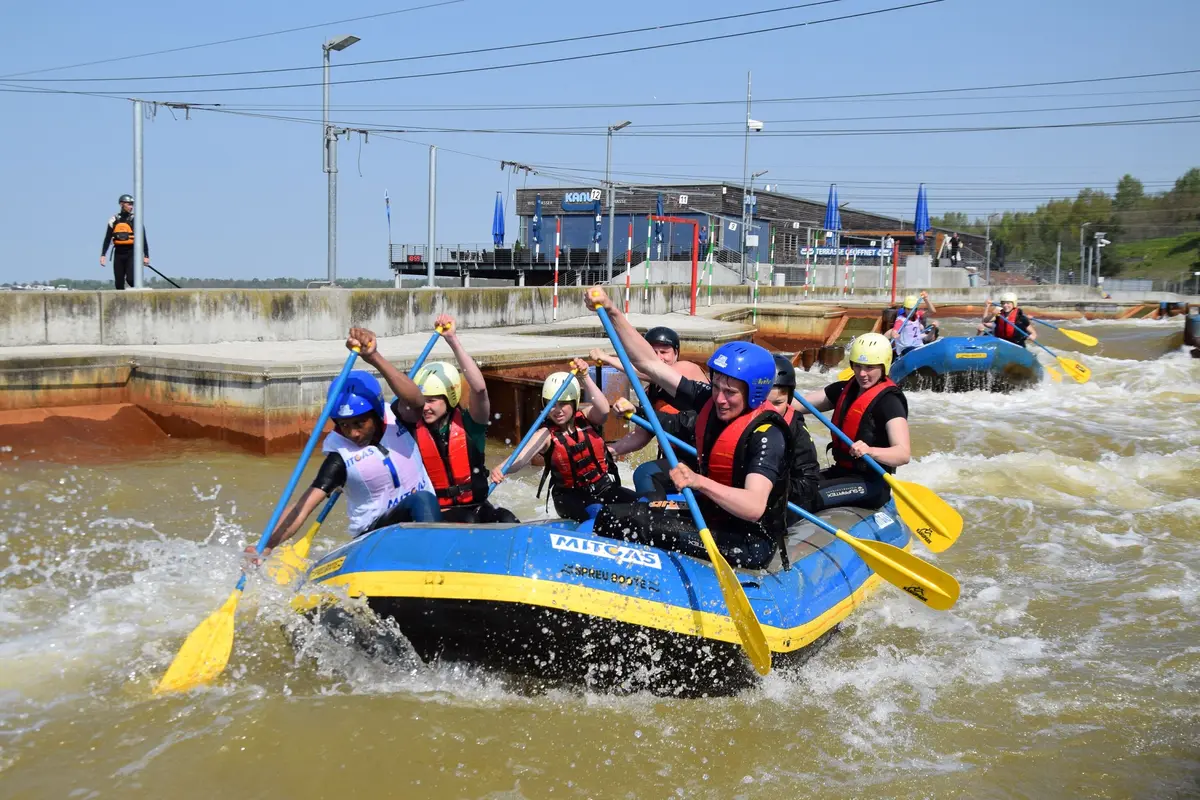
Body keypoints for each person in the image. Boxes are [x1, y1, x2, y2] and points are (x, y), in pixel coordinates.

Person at [586, 287, 792, 570]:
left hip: (746, 541)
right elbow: (648, 362)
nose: (719, 399)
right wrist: (612, 311)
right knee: (622, 512)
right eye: (716, 387)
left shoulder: (767, 434)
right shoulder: (709, 398)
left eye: (730, 392)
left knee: (625, 522)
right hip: (708, 515)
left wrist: (698, 481)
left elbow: (754, 506)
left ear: (754, 393)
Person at [251, 328, 441, 559]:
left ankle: (433, 556)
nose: (352, 433)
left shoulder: (398, 418)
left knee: (428, 503)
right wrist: (266, 546)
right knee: (422, 500)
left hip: (422, 522)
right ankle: (434, 562)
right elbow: (303, 507)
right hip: (375, 537)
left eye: (360, 423)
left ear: (377, 413)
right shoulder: (339, 457)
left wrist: (373, 357)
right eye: (343, 425)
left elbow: (415, 400)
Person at [396, 314, 518, 524]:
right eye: (422, 401)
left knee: (506, 518)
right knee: (467, 520)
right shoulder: (411, 428)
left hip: (477, 507)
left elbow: (479, 389)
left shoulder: (472, 425)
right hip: (437, 514)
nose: (425, 407)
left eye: (432, 400)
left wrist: (452, 340)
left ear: (450, 398)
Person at [490, 359, 636, 522]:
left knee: (642, 504)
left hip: (604, 487)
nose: (557, 410)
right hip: (571, 498)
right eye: (552, 405)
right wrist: (502, 468)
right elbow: (521, 458)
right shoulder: (544, 434)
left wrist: (585, 377)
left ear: (574, 403)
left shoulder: (587, 417)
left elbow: (602, 409)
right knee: (600, 513)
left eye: (563, 404)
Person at [799, 333, 911, 512]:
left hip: (871, 483)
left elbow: (903, 454)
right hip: (841, 472)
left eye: (869, 367)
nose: (862, 374)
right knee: (795, 488)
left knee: (808, 496)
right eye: (857, 366)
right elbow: (797, 404)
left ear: (884, 366)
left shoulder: (890, 402)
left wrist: (870, 451)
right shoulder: (845, 389)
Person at [596, 326, 706, 494]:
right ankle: (653, 511)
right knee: (643, 475)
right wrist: (610, 451)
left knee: (644, 474)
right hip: (677, 461)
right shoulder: (649, 393)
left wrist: (607, 358)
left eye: (664, 352)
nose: (658, 358)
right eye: (652, 353)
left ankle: (654, 518)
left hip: (703, 459)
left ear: (676, 354)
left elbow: (652, 371)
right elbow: (641, 435)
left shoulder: (687, 369)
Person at [769, 353, 821, 514]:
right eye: (763, 401)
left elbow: (809, 483)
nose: (770, 410)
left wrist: (772, 487)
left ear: (789, 400)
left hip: (781, 502)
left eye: (777, 403)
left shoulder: (797, 431)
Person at [100, 194, 149, 290]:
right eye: (129, 204)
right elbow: (107, 238)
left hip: (131, 253)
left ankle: (138, 294)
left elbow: (143, 238)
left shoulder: (135, 220)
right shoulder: (114, 220)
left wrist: (146, 256)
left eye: (132, 205)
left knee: (130, 279)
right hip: (118, 253)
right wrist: (103, 255)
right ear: (122, 204)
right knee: (119, 282)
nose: (131, 207)